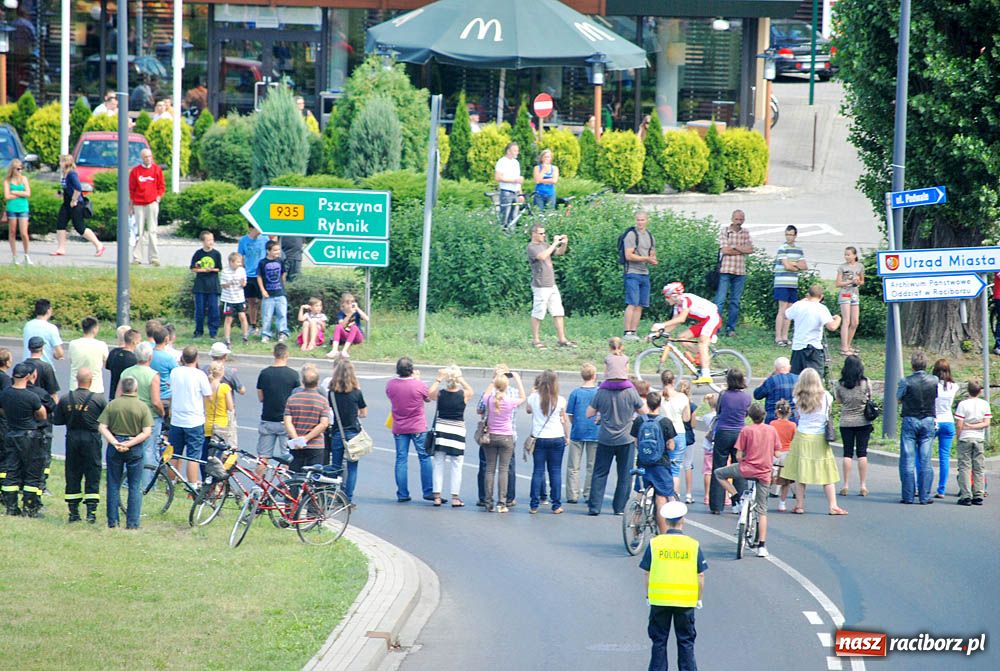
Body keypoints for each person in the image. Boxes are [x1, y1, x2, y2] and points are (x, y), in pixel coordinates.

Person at [640, 500, 706, 671]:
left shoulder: (655, 544)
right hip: (685, 602)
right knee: (686, 641)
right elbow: (700, 575)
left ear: (666, 521)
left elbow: (646, 572)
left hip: (659, 600)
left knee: (659, 641)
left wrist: (648, 595)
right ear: (683, 520)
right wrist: (699, 598)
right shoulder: (693, 545)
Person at [714, 403, 779, 556]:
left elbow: (738, 455)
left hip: (746, 469)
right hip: (764, 473)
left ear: (749, 416)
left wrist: (745, 458)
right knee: (762, 510)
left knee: (719, 473)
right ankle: (762, 546)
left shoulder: (746, 430)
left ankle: (735, 497)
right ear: (764, 415)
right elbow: (777, 453)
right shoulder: (771, 430)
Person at [781, 368, 847, 515]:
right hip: (819, 436)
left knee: (800, 473)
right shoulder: (827, 397)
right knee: (826, 472)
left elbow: (798, 416)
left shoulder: (797, 397)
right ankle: (833, 505)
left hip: (802, 436)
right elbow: (827, 413)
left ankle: (800, 505)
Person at [98, 376, 153, 529]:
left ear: (122, 389)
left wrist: (115, 442)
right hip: (134, 447)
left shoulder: (113, 405)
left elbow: (102, 427)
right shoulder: (142, 407)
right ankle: (132, 523)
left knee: (113, 484)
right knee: (135, 485)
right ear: (136, 389)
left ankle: (113, 521)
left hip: (115, 446)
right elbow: (147, 432)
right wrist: (129, 443)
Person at [53, 368, 107, 523]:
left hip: (72, 438)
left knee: (72, 473)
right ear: (91, 381)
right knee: (93, 473)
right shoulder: (99, 400)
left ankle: (73, 513)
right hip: (92, 439)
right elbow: (107, 421)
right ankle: (91, 513)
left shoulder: (65, 399)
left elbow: (57, 421)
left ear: (77, 380)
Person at [586, 375, 644, 516]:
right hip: (626, 437)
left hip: (605, 437)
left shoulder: (602, 391)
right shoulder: (630, 391)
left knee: (599, 473)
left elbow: (589, 413)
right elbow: (644, 412)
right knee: (624, 475)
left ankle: (594, 506)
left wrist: (603, 413)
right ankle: (619, 507)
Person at [0, 363, 47, 517]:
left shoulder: (5, 393)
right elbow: (42, 415)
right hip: (29, 437)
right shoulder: (31, 396)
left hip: (11, 434)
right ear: (28, 376)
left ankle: (11, 507)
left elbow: (2, 411)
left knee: (11, 470)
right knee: (33, 472)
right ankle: (30, 508)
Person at [386, 357, 434, 503]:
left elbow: (390, 396)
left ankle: (402, 493)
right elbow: (428, 398)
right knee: (424, 457)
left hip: (399, 426)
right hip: (417, 425)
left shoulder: (391, 384)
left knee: (401, 459)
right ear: (411, 370)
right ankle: (428, 491)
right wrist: (418, 379)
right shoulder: (418, 385)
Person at [118, 342, 163, 488]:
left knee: (129, 446)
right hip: (148, 415)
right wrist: (162, 413)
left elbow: (118, 395)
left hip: (129, 414)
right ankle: (146, 483)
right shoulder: (153, 375)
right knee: (148, 450)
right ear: (150, 356)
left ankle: (127, 481)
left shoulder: (126, 372)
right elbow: (156, 401)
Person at [656, 282, 719, 385]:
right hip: (704, 321)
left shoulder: (686, 300)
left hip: (712, 318)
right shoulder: (677, 305)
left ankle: (706, 375)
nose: (666, 299)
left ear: (674, 295)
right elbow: (674, 323)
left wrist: (661, 325)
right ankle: (703, 355)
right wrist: (658, 333)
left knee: (702, 343)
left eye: (667, 296)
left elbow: (681, 319)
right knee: (682, 338)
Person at [476, 364, 522, 508]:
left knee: (488, 468)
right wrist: (518, 379)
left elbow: (479, 409)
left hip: (489, 435)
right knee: (506, 469)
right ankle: (506, 499)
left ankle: (486, 499)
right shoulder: (512, 395)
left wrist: (492, 381)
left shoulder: (489, 396)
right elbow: (523, 398)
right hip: (509, 435)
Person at [428, 365, 473, 507]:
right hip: (457, 431)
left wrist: (438, 378)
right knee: (456, 465)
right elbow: (471, 390)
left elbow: (430, 394)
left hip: (441, 430)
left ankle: (437, 496)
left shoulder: (440, 394)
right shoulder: (464, 395)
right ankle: (455, 497)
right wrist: (461, 379)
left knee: (438, 463)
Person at [631, 391, 677, 533]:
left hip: (643, 463)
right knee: (661, 498)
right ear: (659, 404)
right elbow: (670, 445)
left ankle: (634, 532)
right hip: (660, 464)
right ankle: (663, 535)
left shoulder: (639, 420)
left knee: (640, 495)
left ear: (647, 404)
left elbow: (636, 442)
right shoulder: (665, 422)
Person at [897, 351, 938, 505]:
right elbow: (935, 396)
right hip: (928, 418)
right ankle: (924, 496)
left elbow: (899, 397)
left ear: (912, 365)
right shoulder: (934, 380)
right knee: (925, 459)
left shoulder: (906, 381)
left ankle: (908, 496)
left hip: (910, 418)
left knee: (908, 459)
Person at [525, 369, 569, 514]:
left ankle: (534, 505)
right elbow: (564, 421)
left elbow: (528, 410)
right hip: (556, 437)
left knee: (538, 471)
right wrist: (567, 436)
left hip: (539, 438)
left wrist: (533, 391)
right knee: (555, 471)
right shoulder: (560, 400)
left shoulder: (533, 398)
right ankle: (556, 505)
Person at [708, 369, 751, 514]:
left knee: (718, 467)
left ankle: (716, 505)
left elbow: (719, 411)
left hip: (723, 432)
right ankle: (738, 502)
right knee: (739, 467)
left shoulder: (724, 395)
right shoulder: (746, 397)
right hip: (739, 432)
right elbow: (745, 413)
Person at [168, 346, 212, 486]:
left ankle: (171, 482)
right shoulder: (200, 375)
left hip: (177, 419)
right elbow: (208, 396)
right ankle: (192, 484)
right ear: (196, 358)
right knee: (193, 456)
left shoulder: (175, 372)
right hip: (194, 419)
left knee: (175, 453)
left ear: (182, 358)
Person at [527, 223, 575, 349]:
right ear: (534, 234)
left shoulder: (544, 245)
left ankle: (562, 339)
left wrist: (563, 243)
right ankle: (536, 340)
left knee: (558, 311)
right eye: (541, 233)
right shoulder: (532, 247)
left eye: (544, 233)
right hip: (540, 285)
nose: (544, 235)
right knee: (538, 312)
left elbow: (559, 253)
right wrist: (554, 243)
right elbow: (542, 256)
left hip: (551, 284)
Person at [255, 343, 300, 475]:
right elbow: (296, 397)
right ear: (287, 355)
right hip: (286, 421)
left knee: (263, 456)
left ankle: (258, 487)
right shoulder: (293, 375)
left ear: (274, 354)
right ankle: (285, 487)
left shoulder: (264, 373)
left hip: (268, 419)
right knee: (287, 457)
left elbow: (261, 397)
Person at [328, 360, 367, 504]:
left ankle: (331, 495)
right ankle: (348, 498)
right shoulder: (356, 393)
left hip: (338, 432)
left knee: (335, 467)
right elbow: (363, 413)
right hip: (353, 433)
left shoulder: (332, 394)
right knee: (352, 467)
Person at [835, 355, 874, 498]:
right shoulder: (865, 382)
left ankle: (845, 484)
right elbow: (870, 397)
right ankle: (863, 485)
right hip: (863, 421)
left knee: (847, 453)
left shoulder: (840, 384)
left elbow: (839, 400)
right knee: (862, 453)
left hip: (846, 421)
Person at [52, 154, 105, 257]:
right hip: (66, 203)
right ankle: (61, 249)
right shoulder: (65, 174)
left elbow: (78, 188)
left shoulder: (72, 174)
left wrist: (73, 200)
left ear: (67, 163)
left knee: (79, 227)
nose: (60, 163)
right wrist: (61, 194)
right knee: (60, 224)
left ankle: (99, 245)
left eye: (62, 161)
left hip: (76, 204)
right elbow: (68, 188)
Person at [785, 284, 842, 376]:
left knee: (796, 378)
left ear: (808, 294)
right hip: (814, 348)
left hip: (798, 347)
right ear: (821, 296)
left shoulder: (798, 305)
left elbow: (786, 315)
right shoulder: (821, 308)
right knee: (815, 379)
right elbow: (832, 327)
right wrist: (838, 318)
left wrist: (800, 301)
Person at [283, 367, 331, 472]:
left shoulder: (292, 399)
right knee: (313, 478)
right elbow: (323, 424)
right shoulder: (322, 401)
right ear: (318, 382)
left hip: (296, 445)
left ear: (303, 382)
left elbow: (287, 422)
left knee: (294, 476)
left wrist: (296, 439)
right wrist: (306, 439)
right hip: (316, 445)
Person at [714, 209, 753, 337]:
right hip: (726, 269)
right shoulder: (725, 231)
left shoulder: (745, 232)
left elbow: (750, 249)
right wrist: (740, 249)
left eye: (741, 219)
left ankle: (731, 328)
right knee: (720, 301)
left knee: (735, 301)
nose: (738, 222)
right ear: (732, 219)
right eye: (736, 219)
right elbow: (725, 250)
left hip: (740, 271)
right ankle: (716, 327)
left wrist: (734, 247)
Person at [565, 363, 599, 504]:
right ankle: (589, 493)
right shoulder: (598, 392)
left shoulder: (575, 393)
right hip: (595, 432)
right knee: (592, 466)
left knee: (573, 466)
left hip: (577, 431)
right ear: (594, 376)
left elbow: (570, 414)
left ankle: (572, 494)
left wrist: (576, 423)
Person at [623, 210, 658, 341]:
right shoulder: (631, 235)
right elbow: (629, 255)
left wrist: (653, 260)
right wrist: (646, 259)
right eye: (638, 220)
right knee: (632, 302)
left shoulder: (650, 236)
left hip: (645, 273)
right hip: (632, 272)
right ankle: (627, 332)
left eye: (642, 220)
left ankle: (634, 331)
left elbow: (652, 254)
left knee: (640, 304)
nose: (640, 222)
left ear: (647, 220)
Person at [954, 380, 990, 506]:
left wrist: (959, 436)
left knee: (965, 467)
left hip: (965, 438)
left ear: (968, 391)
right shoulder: (985, 404)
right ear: (980, 391)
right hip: (979, 438)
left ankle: (966, 495)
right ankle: (978, 494)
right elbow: (986, 423)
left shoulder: (962, 404)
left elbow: (959, 425)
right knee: (979, 467)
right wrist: (975, 426)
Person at [128, 148, 166, 266]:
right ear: (142, 158)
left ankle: (154, 257)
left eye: (149, 156)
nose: (148, 159)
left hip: (152, 203)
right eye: (145, 157)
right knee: (139, 231)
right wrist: (131, 205)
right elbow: (132, 189)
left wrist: (158, 197)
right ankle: (137, 257)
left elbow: (161, 186)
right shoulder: (136, 171)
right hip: (139, 204)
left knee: (152, 231)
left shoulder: (156, 170)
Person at [772, 225, 806, 346]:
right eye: (787, 234)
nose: (789, 237)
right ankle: (778, 337)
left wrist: (794, 264)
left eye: (791, 235)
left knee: (790, 310)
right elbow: (787, 266)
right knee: (782, 309)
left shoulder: (798, 249)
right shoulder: (782, 248)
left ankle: (785, 336)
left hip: (793, 283)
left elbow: (804, 266)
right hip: (782, 282)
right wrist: (795, 265)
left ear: (795, 235)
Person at [659, 371, 691, 496]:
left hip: (662, 433)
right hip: (679, 433)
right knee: (675, 468)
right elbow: (686, 418)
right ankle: (674, 496)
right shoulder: (682, 397)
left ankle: (661, 493)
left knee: (661, 466)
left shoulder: (658, 396)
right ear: (674, 381)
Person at [931, 359, 957, 499]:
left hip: (934, 421)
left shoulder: (933, 385)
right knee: (944, 457)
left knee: (924, 454)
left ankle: (920, 486)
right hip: (948, 421)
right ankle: (941, 489)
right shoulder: (954, 386)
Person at [190, 231, 222, 339]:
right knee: (200, 310)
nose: (211, 242)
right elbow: (193, 268)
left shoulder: (216, 254)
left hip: (213, 286)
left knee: (214, 309)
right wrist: (202, 270)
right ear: (203, 241)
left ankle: (213, 332)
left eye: (212, 239)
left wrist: (211, 269)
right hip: (200, 286)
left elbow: (219, 268)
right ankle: (198, 331)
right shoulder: (198, 253)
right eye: (208, 240)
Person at [238, 226, 268, 336]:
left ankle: (264, 325)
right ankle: (253, 325)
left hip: (261, 275)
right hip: (249, 274)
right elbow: (240, 256)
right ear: (251, 228)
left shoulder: (265, 239)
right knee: (251, 302)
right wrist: (241, 272)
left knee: (263, 301)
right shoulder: (243, 241)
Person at [257, 240, 288, 343]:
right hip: (268, 294)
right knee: (267, 316)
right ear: (268, 251)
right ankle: (266, 334)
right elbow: (259, 276)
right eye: (275, 250)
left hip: (280, 292)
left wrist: (283, 285)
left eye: (278, 250)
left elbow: (283, 273)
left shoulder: (280, 260)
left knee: (282, 314)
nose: (277, 252)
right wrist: (263, 290)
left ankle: (282, 333)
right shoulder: (262, 263)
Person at [68, 316, 109, 394]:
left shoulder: (73, 344)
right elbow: (106, 363)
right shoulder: (101, 345)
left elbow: (71, 360)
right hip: (96, 388)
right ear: (94, 329)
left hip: (75, 386)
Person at [836, 246, 864, 355]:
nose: (846, 256)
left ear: (854, 255)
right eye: (845, 254)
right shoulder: (842, 267)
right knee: (846, 320)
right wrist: (849, 282)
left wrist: (857, 282)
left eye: (848, 254)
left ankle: (848, 344)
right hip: (845, 293)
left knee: (855, 321)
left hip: (855, 294)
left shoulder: (860, 266)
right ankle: (844, 348)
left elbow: (862, 281)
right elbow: (837, 283)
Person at [752, 357, 798, 423]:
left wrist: (765, 380)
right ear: (789, 367)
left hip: (773, 417)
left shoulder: (771, 381)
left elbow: (757, 395)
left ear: (775, 368)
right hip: (792, 416)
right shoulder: (798, 379)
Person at [770, 399, 796, 511]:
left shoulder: (772, 424)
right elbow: (794, 441)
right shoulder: (793, 425)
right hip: (787, 454)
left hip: (774, 454)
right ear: (789, 412)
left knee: (769, 478)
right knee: (786, 481)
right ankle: (782, 503)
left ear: (777, 412)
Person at [5, 158, 32, 265]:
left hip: (23, 208)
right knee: (12, 232)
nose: (19, 171)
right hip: (12, 208)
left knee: (24, 233)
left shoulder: (24, 179)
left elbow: (28, 193)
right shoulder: (7, 181)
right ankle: (14, 256)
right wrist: (21, 193)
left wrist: (15, 192)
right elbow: (7, 196)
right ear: (13, 169)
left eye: (21, 168)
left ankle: (26, 255)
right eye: (17, 169)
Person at [203, 361, 235, 452]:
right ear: (222, 372)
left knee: (205, 454)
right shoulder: (224, 387)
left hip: (208, 423)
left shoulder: (206, 386)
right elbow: (230, 407)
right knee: (216, 457)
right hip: (221, 425)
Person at [327, 292, 369, 359]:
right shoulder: (341, 314)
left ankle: (344, 350)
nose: (350, 305)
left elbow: (367, 319)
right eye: (347, 303)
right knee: (338, 326)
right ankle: (334, 350)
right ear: (343, 304)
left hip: (357, 337)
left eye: (352, 303)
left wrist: (357, 309)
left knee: (354, 327)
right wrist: (349, 314)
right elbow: (342, 325)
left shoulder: (356, 312)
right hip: (347, 335)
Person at [22, 298, 64, 365]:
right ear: (48, 310)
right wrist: (55, 356)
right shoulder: (51, 328)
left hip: (27, 365)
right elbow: (60, 353)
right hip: (44, 366)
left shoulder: (27, 325)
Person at [149, 326, 176, 428]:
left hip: (150, 395)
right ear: (166, 339)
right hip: (165, 396)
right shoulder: (169, 358)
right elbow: (176, 373)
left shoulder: (149, 355)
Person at [220, 252, 249, 346]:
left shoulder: (242, 270)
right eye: (237, 262)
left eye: (240, 262)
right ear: (231, 262)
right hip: (229, 299)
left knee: (242, 316)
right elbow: (223, 285)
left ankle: (245, 337)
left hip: (240, 298)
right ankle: (227, 339)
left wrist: (242, 283)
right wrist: (229, 283)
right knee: (229, 319)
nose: (239, 264)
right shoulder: (225, 271)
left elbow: (244, 284)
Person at [677, 379, 698, 504]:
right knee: (688, 465)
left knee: (676, 465)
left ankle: (676, 492)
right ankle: (689, 494)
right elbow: (694, 424)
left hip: (677, 435)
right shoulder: (692, 406)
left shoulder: (675, 403)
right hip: (688, 437)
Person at [494, 141, 524, 229]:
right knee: (505, 217)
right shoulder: (502, 162)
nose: (517, 153)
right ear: (508, 151)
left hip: (515, 192)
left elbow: (518, 179)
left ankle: (512, 236)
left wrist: (520, 193)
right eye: (515, 150)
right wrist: (513, 180)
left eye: (517, 150)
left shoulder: (516, 163)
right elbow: (498, 177)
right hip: (506, 192)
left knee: (514, 217)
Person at [105, 328, 139, 401]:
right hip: (127, 397)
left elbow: (107, 367)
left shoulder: (113, 354)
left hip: (113, 394)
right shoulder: (134, 359)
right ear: (134, 342)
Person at [25, 336, 60, 402]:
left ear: (29, 348)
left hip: (25, 402)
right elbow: (52, 392)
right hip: (42, 402)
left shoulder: (22, 366)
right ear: (42, 348)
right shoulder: (46, 367)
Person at [700, 393, 718, 506]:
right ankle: (726, 496)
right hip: (719, 445)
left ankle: (707, 495)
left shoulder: (707, 417)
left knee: (708, 471)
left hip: (708, 445)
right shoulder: (722, 416)